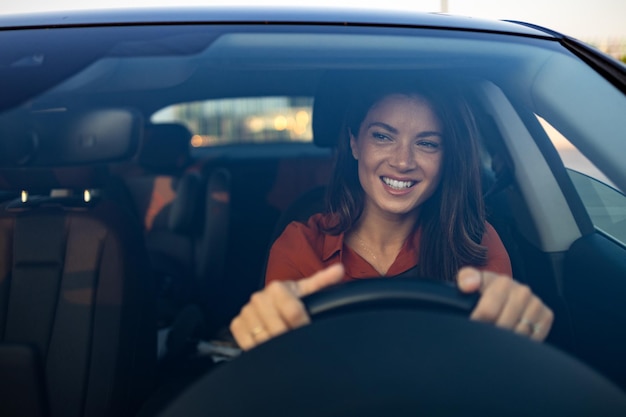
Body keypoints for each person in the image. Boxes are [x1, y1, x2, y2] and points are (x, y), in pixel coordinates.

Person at [230, 77, 554, 350]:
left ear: (447, 158)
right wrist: (260, 332)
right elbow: (282, 375)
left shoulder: (474, 243)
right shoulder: (300, 246)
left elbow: (490, 372)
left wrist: (519, 331)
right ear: (355, 144)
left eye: (427, 144)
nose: (402, 161)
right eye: (383, 137)